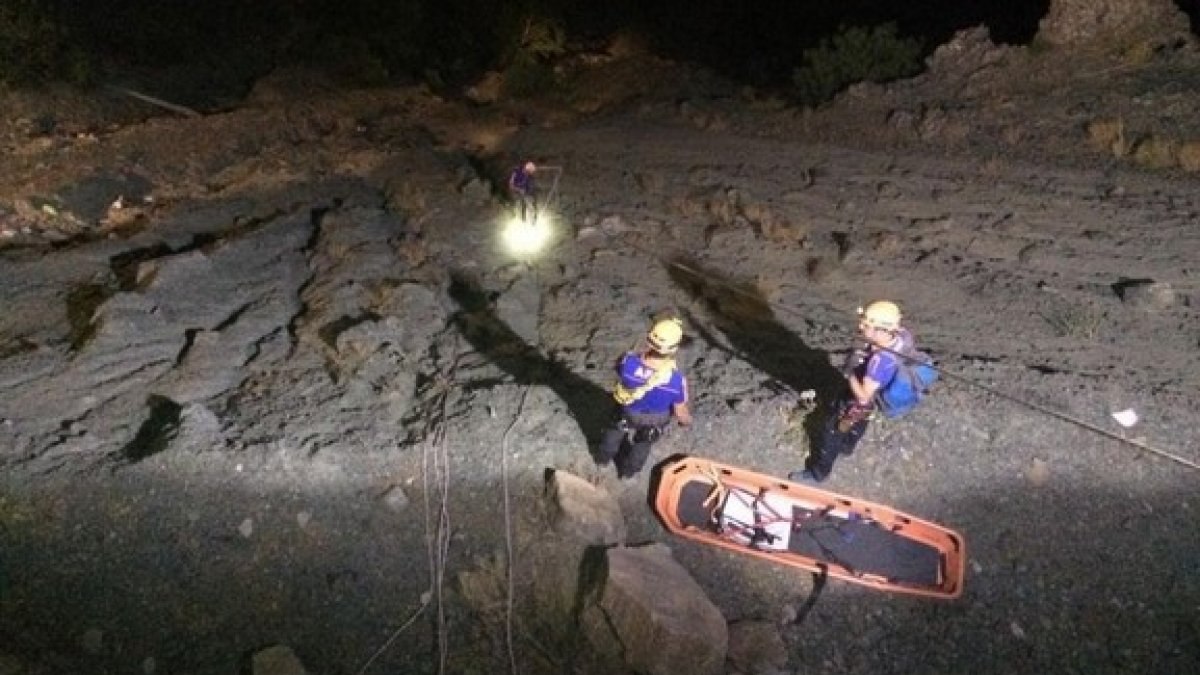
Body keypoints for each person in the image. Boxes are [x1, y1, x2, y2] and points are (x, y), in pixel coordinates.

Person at [790, 300, 914, 483]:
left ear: (882, 330)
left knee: (830, 432)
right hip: (873, 400)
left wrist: (849, 374)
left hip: (858, 401)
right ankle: (847, 447)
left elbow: (863, 395)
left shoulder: (880, 362)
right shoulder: (902, 337)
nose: (861, 326)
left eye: (867, 325)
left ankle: (818, 474)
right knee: (861, 422)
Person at [599, 316, 693, 479]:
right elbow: (680, 411)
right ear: (673, 349)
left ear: (649, 339)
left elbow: (619, 369)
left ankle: (602, 460)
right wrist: (686, 421)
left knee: (614, 432)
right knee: (643, 444)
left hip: (628, 411)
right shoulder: (677, 380)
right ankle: (628, 473)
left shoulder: (628, 363)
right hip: (656, 419)